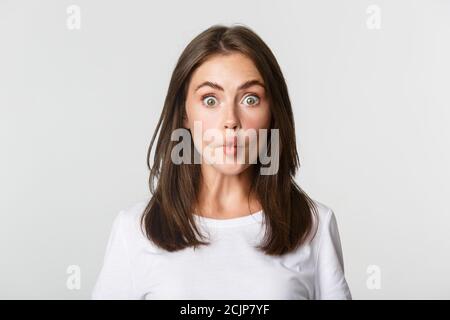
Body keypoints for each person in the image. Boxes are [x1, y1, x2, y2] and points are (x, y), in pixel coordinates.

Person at [92, 24, 352, 300]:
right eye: (210, 99)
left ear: (273, 113)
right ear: (184, 115)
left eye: (250, 99)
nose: (231, 121)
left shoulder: (315, 225)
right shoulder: (134, 229)